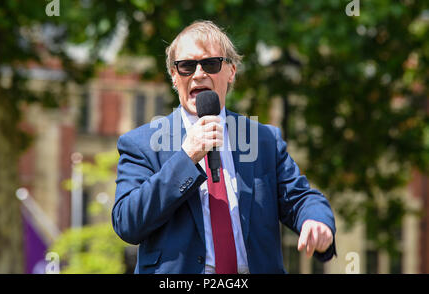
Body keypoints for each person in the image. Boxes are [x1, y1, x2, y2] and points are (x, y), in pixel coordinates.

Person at [112, 20, 336, 274]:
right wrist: (186, 158)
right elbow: (127, 222)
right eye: (186, 66)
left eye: (210, 64)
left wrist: (316, 220)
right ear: (174, 77)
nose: (198, 74)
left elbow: (300, 198)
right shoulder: (142, 144)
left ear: (231, 72)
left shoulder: (263, 140)